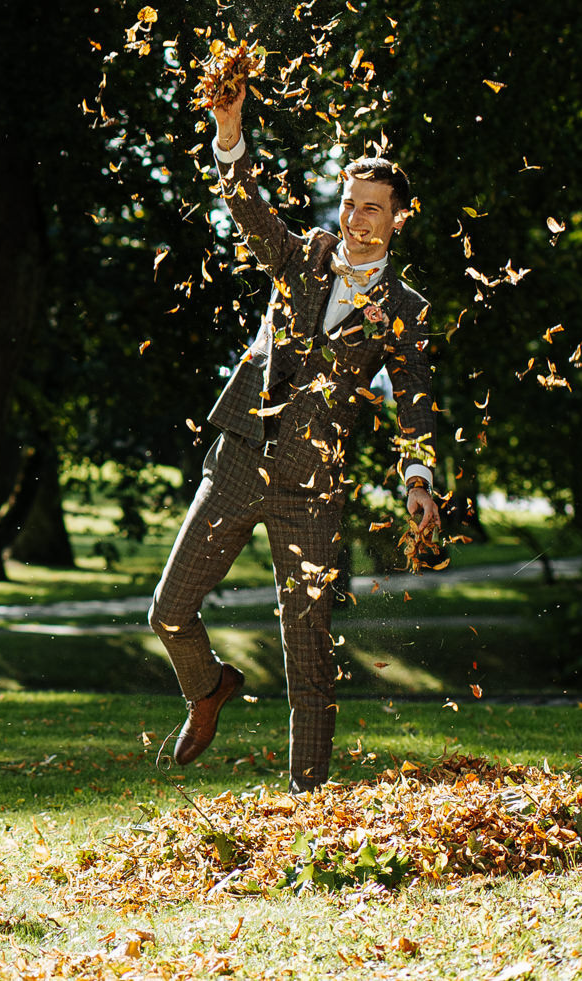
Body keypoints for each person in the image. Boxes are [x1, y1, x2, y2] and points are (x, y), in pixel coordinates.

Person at [150, 80, 441, 792]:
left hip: (314, 489)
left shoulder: (404, 309)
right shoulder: (304, 255)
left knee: (308, 658)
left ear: (399, 219)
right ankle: (208, 688)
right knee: (169, 610)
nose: (354, 217)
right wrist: (229, 130)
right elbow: (248, 212)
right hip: (240, 457)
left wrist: (419, 480)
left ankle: (307, 804)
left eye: (371, 208)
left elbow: (416, 402)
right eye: (348, 203)